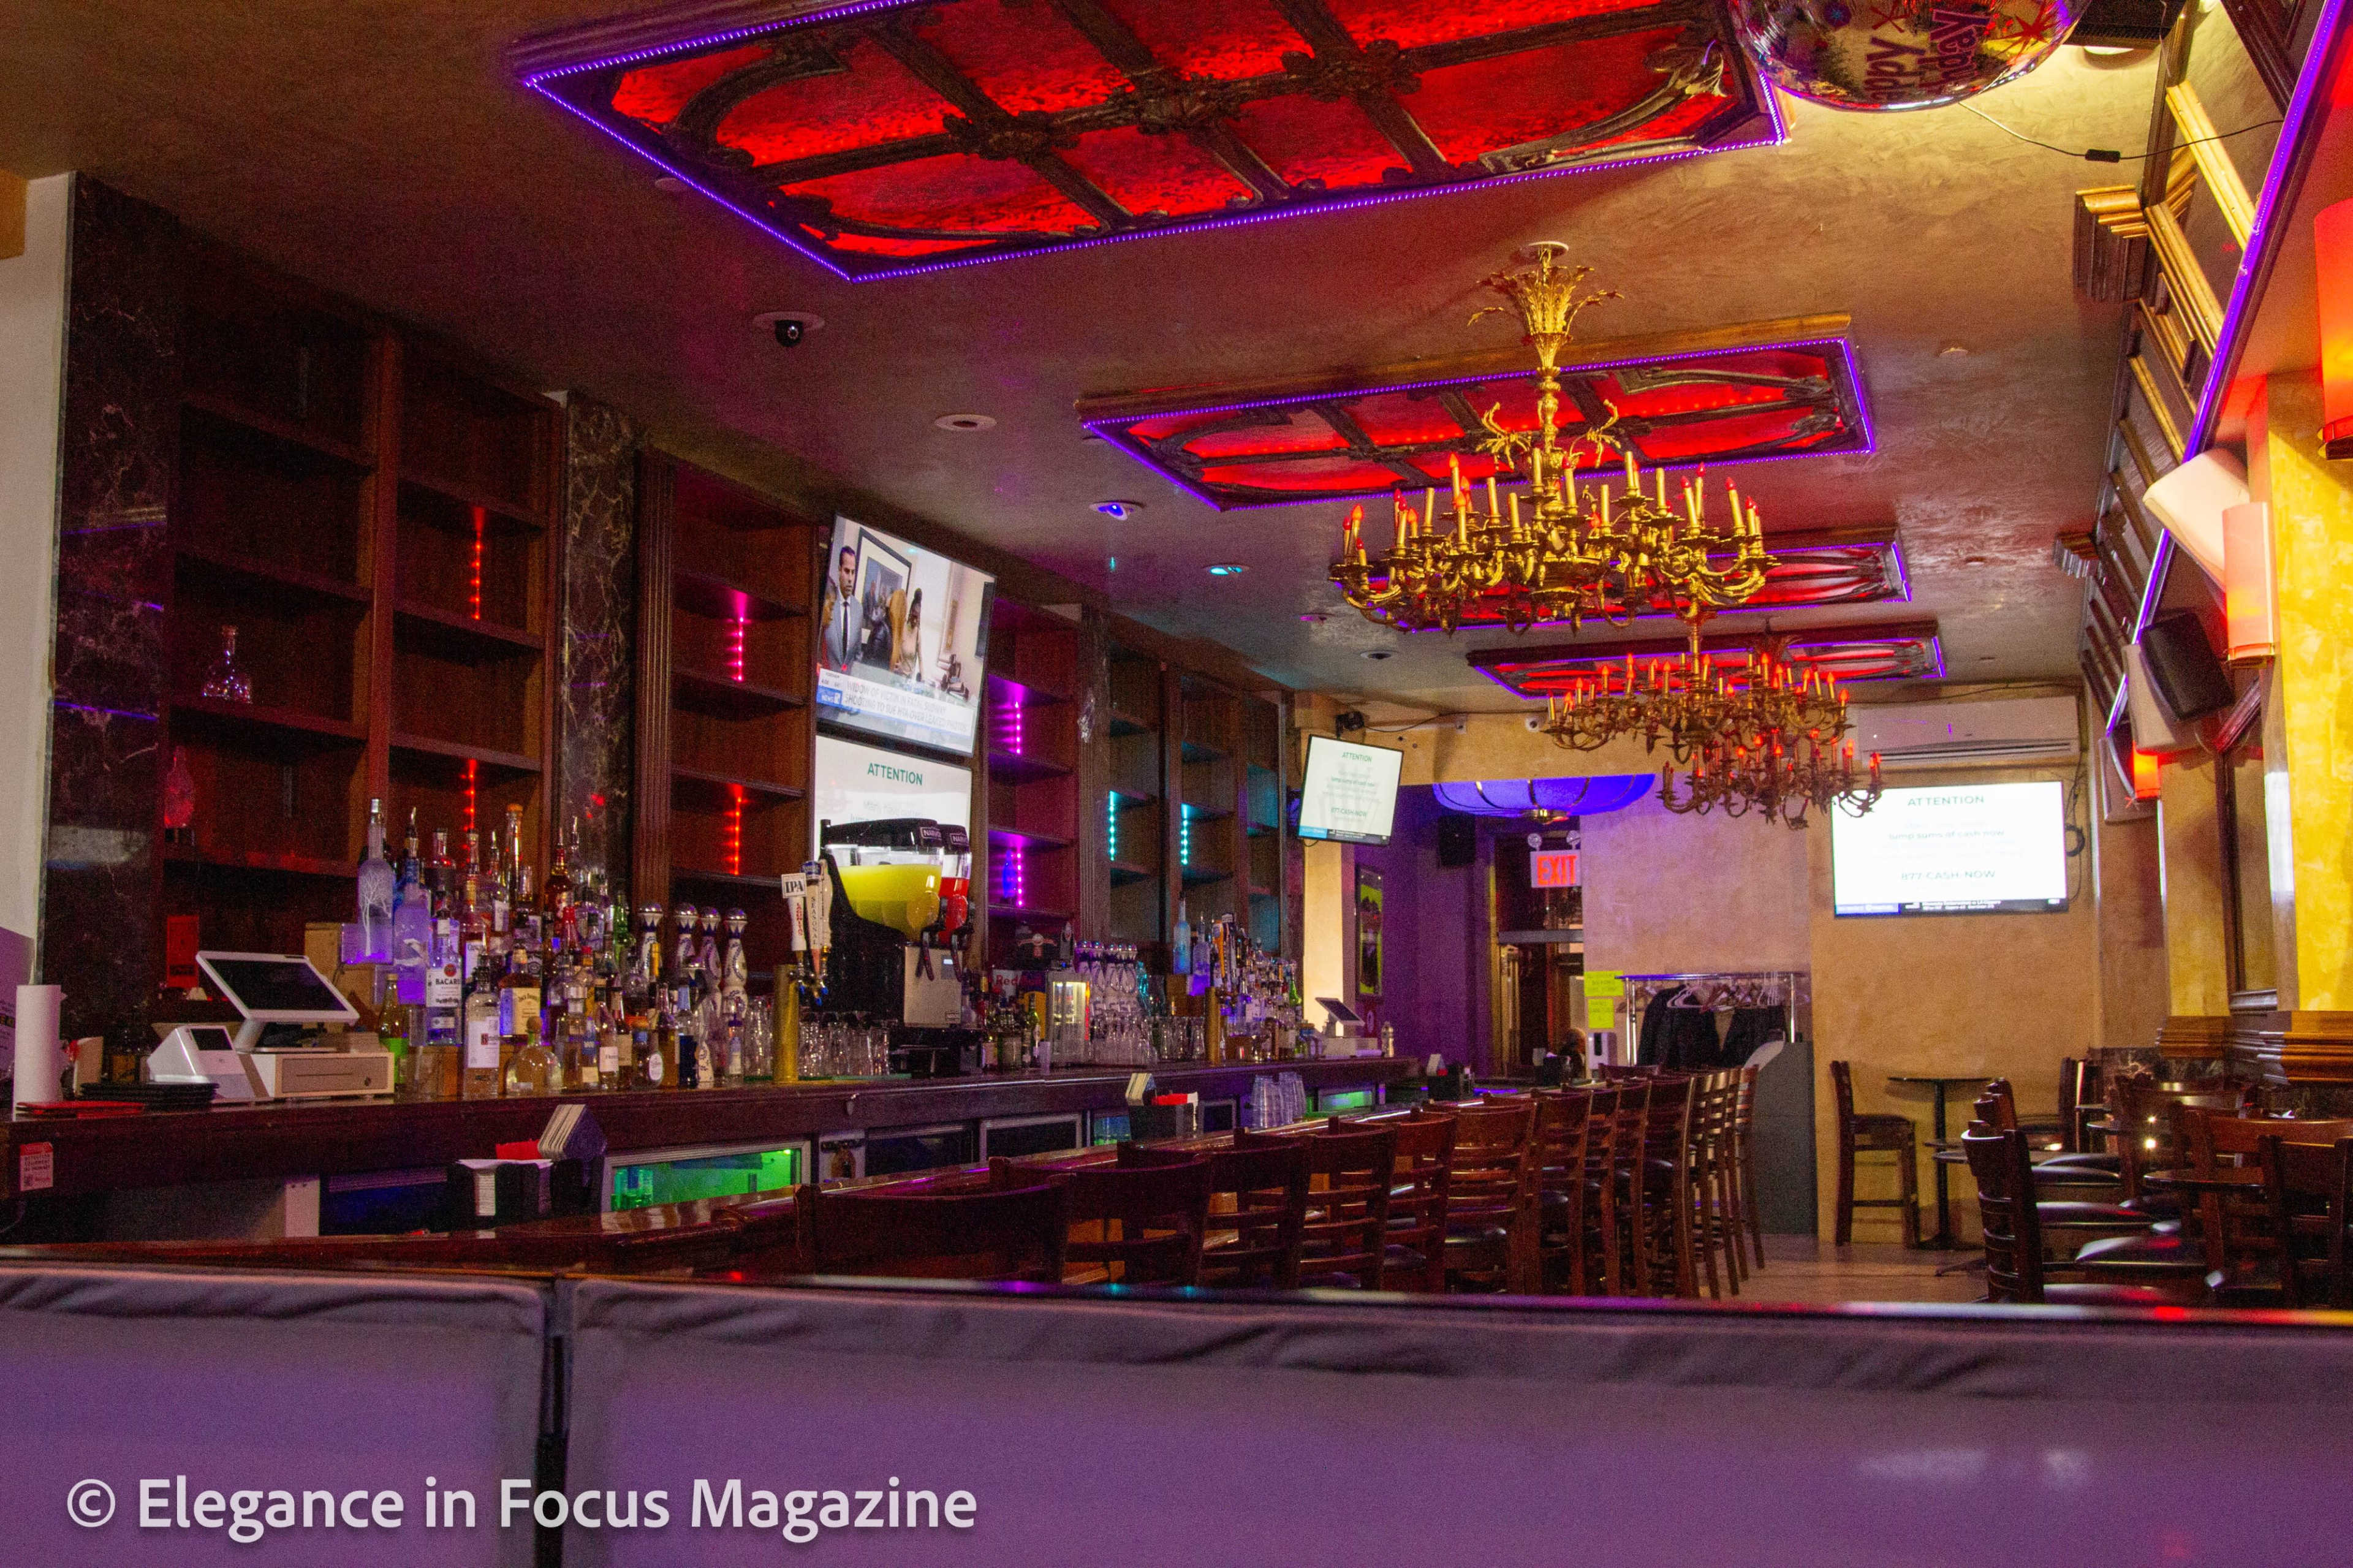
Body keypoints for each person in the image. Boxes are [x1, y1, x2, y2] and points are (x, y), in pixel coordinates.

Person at [818, 545, 857, 672]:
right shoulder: (818, 633)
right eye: (847, 571)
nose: (850, 579)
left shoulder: (856, 611)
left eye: (853, 572)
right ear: (840, 570)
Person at [893, 587, 925, 680]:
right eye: (914, 616)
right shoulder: (903, 628)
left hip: (909, 679)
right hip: (898, 676)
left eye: (918, 618)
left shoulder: (918, 634)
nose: (915, 620)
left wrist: (923, 679)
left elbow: (921, 659)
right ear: (911, 613)